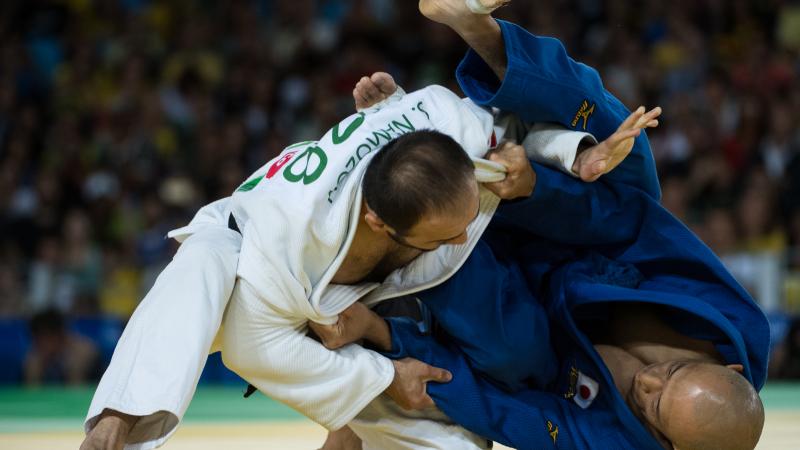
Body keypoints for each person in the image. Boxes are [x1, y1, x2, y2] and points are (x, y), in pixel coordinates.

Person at [81, 59, 646, 448]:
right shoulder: (286, 247)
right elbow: (257, 351)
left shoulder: (448, 128)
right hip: (243, 241)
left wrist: (575, 156)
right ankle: (116, 422)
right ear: (379, 221)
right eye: (444, 234)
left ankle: (349, 428)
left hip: (348, 283)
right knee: (198, 276)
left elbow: (516, 123)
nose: (459, 239)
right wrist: (385, 376)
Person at [313, 1, 768, 448]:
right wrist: (540, 188)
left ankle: (409, 164)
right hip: (567, 224)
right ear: (731, 371)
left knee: (511, 354)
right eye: (673, 374)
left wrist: (385, 342)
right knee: (632, 166)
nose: (647, 382)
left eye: (654, 409)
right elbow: (633, 226)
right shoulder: (736, 323)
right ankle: (483, 35)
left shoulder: (616, 445)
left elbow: (515, 416)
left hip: (510, 298)